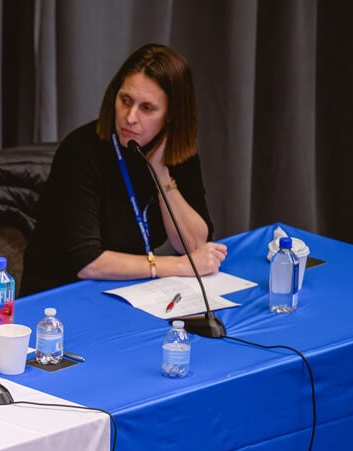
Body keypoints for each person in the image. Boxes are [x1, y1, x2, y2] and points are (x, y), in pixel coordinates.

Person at [22, 44, 226, 295]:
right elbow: (88, 263)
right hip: (62, 295)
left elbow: (193, 244)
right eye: (125, 101)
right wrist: (177, 265)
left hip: (128, 290)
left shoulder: (174, 152)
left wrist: (160, 173)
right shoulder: (80, 150)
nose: (130, 117)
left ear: (171, 115)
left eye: (147, 108)